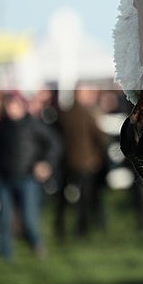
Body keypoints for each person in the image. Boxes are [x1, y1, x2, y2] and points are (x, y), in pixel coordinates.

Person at [0, 92, 61, 260]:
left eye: (12, 105)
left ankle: (37, 244)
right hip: (4, 179)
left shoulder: (33, 124)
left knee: (29, 219)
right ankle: (6, 256)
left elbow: (54, 143)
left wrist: (46, 163)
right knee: (4, 220)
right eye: (7, 106)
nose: (10, 109)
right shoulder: (2, 125)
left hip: (28, 178)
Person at [54, 84, 109, 239]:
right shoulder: (88, 114)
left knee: (63, 199)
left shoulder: (64, 114)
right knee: (85, 199)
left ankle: (60, 229)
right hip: (86, 162)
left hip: (67, 161)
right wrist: (100, 156)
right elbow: (100, 138)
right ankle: (81, 231)